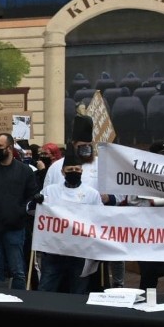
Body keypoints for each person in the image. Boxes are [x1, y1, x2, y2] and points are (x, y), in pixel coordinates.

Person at [44, 115, 125, 289]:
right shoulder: (55, 167)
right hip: (60, 238)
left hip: (89, 236)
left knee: (87, 282)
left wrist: (107, 198)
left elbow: (120, 195)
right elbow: (45, 197)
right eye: (82, 146)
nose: (86, 149)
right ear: (73, 144)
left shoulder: (102, 165)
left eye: (89, 146)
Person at [35, 144, 102, 294]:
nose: (74, 172)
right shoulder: (50, 191)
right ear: (62, 172)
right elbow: (32, 211)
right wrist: (35, 202)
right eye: (70, 170)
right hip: (54, 252)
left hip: (79, 253)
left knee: (78, 292)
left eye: (77, 170)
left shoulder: (92, 194)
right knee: (46, 290)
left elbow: (99, 219)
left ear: (81, 172)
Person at [0, 132, 38, 289]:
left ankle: (19, 305)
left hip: (14, 228)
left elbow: (31, 196)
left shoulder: (25, 171)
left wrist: (19, 212)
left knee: (17, 271)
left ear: (10, 148)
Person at [131, 141, 164, 295]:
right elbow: (132, 201)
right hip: (150, 236)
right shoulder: (141, 177)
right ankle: (145, 311)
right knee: (149, 277)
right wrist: (153, 203)